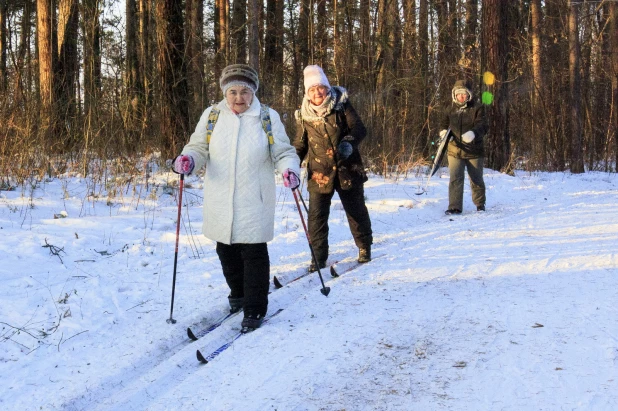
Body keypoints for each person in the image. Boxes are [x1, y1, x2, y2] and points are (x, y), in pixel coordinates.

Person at [172, 64, 300, 331]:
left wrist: (289, 170)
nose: (238, 98)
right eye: (232, 92)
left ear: (253, 92)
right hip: (220, 198)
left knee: (253, 251)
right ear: (224, 92)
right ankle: (239, 295)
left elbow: (283, 152)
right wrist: (188, 160)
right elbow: (198, 147)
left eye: (244, 91)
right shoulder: (213, 115)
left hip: (255, 197)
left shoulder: (267, 117)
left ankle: (254, 309)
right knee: (226, 250)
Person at [294, 65, 373, 272]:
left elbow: (359, 128)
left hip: (348, 169)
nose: (317, 93)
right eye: (312, 90)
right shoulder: (304, 115)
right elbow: (300, 144)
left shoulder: (342, 105)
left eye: (320, 88)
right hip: (319, 173)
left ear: (327, 88)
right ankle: (318, 258)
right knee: (317, 217)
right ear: (307, 93)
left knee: (355, 211)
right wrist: (291, 164)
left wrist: (348, 142)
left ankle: (364, 246)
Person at [440, 79, 488, 215]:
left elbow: (483, 126)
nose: (461, 97)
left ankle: (480, 204)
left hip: (474, 150)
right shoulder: (449, 109)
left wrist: (473, 133)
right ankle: (454, 206)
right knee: (455, 178)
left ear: (469, 95)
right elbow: (443, 124)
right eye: (459, 94)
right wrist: (443, 132)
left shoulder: (477, 108)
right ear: (454, 95)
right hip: (454, 149)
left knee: (476, 178)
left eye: (464, 94)